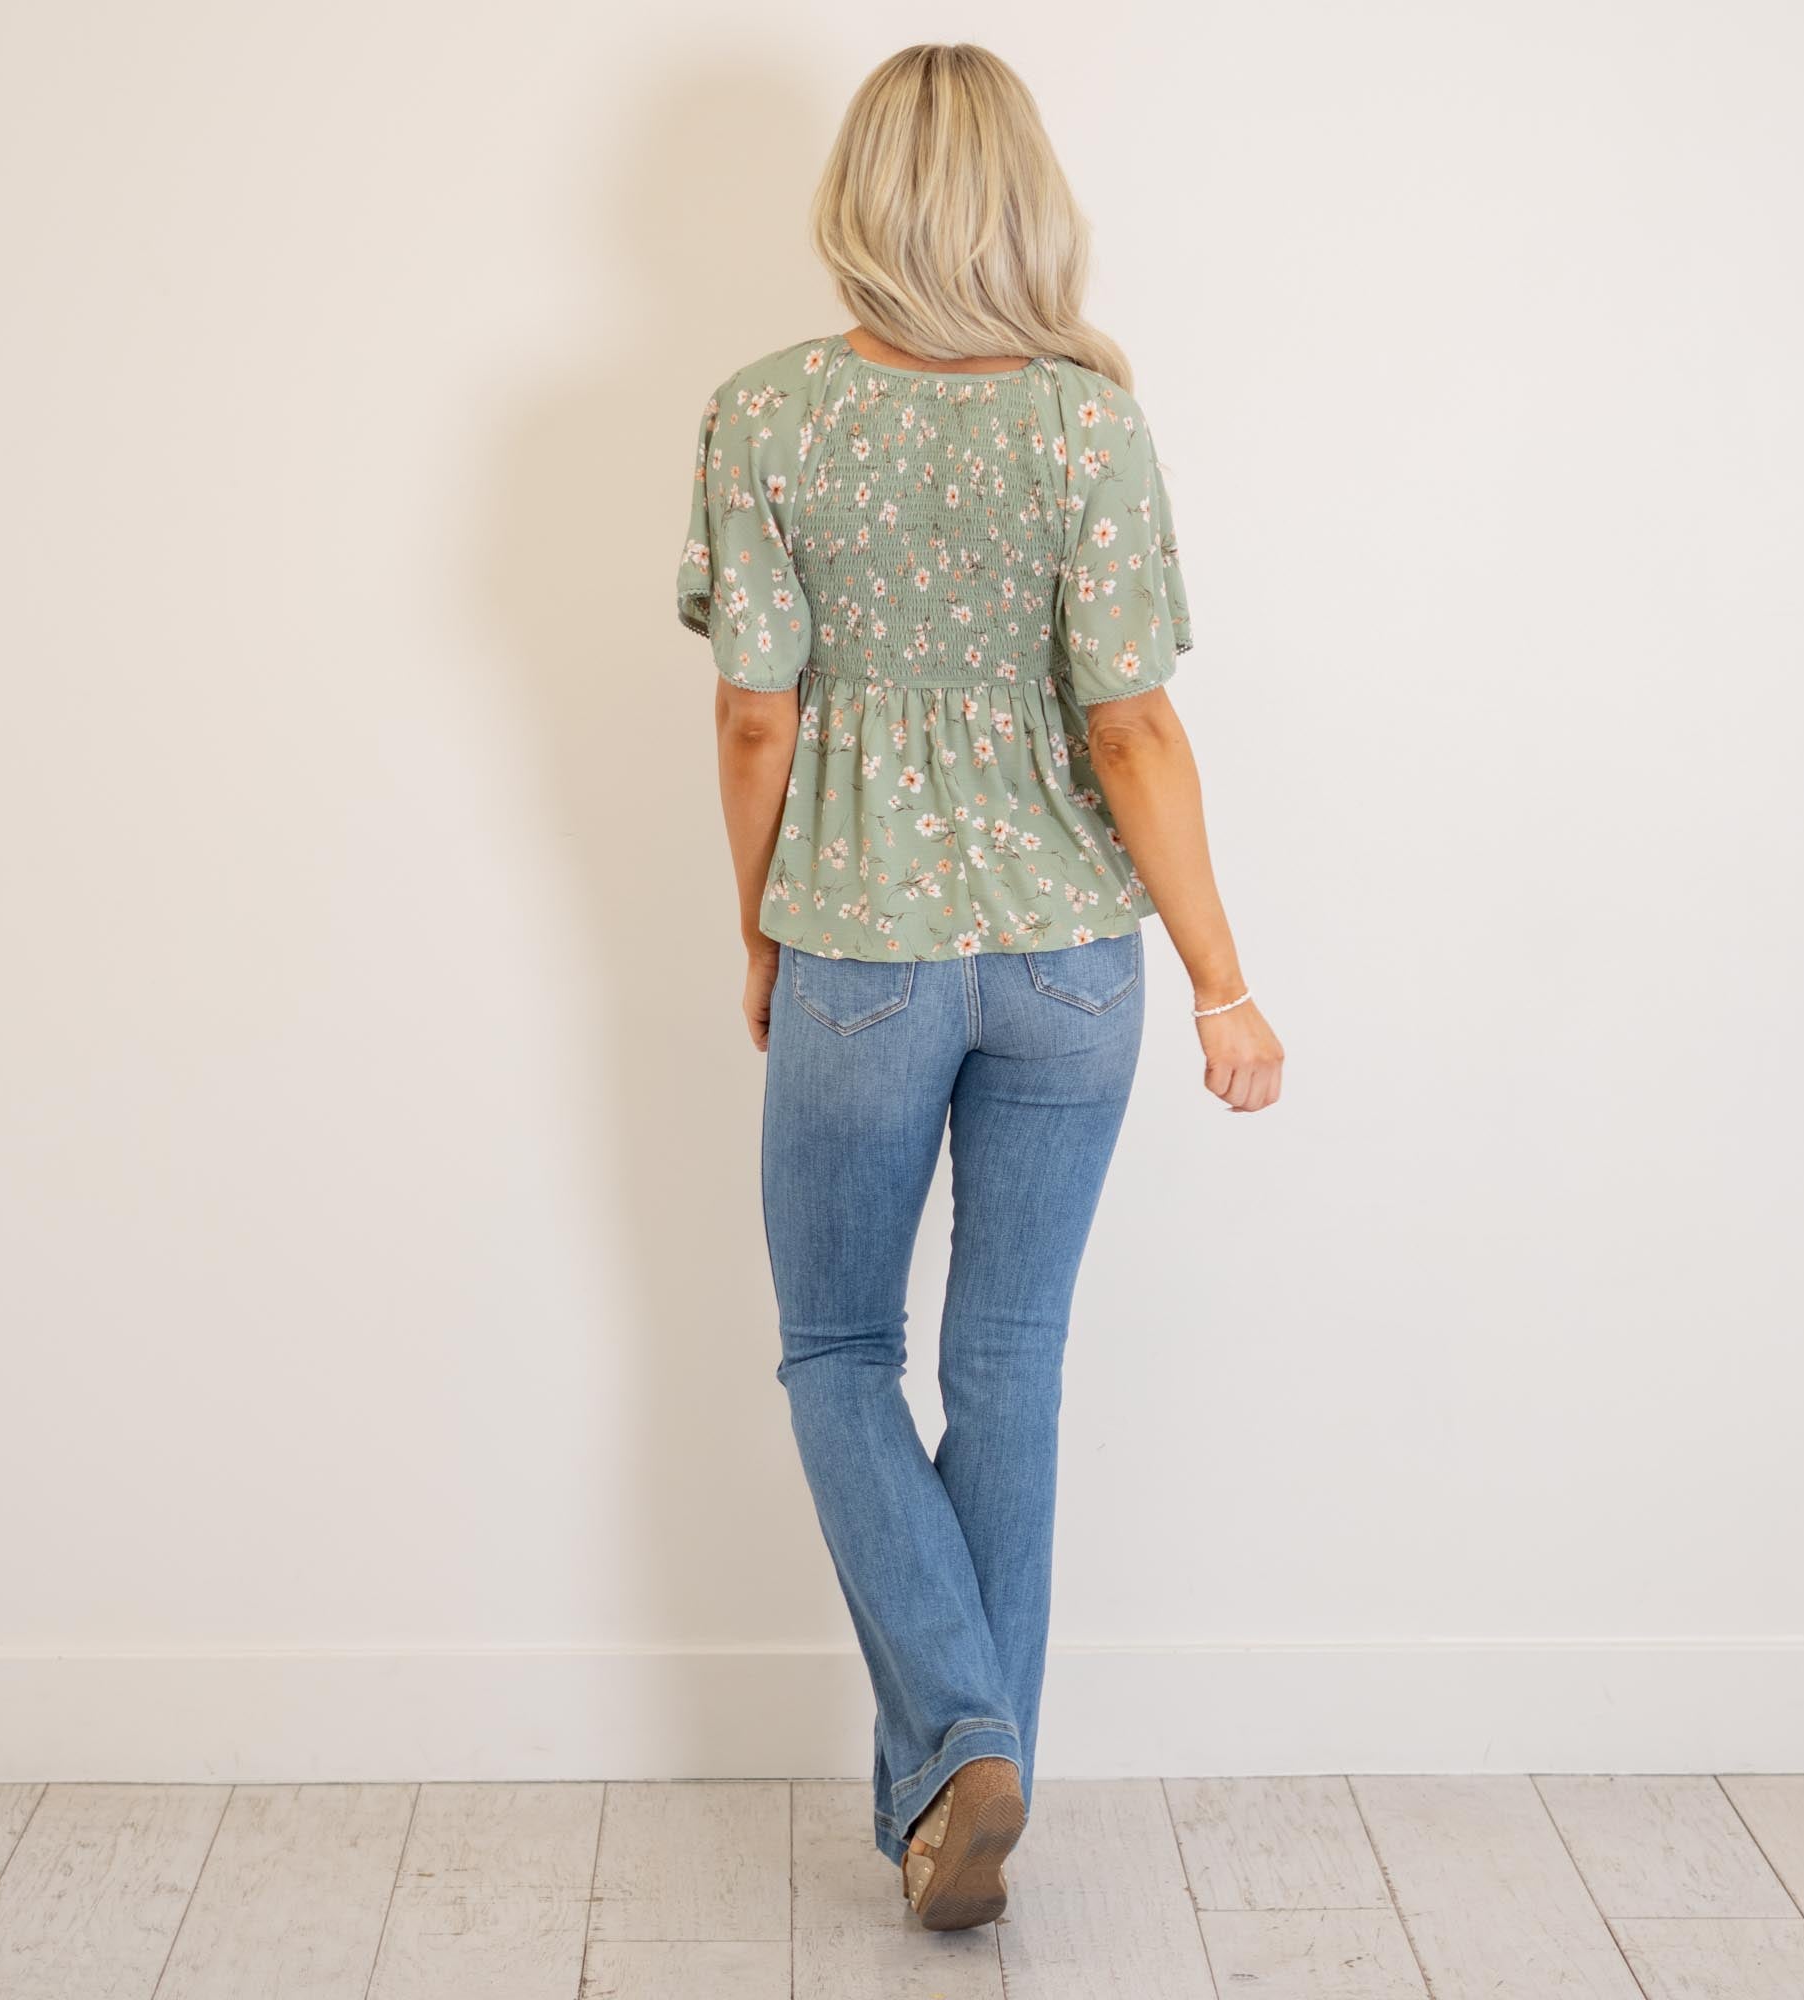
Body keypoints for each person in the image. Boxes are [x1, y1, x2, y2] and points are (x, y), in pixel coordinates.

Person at [674, 41, 1284, 1931]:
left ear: (858, 201)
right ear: (1029, 202)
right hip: (1072, 966)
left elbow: (756, 713)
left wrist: (761, 927)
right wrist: (1221, 982)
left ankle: (956, 1747)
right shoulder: (1090, 425)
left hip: (862, 953)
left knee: (837, 1354)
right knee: (1008, 1363)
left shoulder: (767, 416)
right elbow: (1135, 725)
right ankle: (967, 1798)